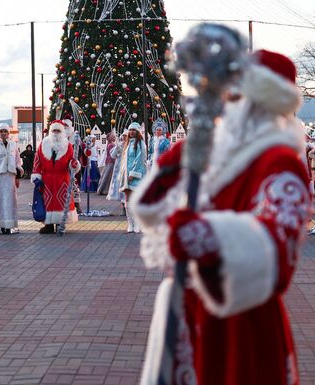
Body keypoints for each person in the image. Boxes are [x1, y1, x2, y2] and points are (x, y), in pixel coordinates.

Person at [132, 50, 310, 385]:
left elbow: (277, 248)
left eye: (236, 96)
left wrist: (205, 235)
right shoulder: (216, 156)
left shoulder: (280, 162)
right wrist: (168, 170)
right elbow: (151, 210)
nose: (226, 105)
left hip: (240, 321)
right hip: (191, 312)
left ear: (261, 104)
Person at [32, 120, 81, 234]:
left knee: (61, 201)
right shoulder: (43, 144)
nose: (56, 133)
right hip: (47, 179)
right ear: (50, 131)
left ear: (62, 132)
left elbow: (71, 162)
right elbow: (37, 161)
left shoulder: (68, 146)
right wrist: (36, 175)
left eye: (58, 130)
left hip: (62, 179)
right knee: (47, 201)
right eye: (54, 130)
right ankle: (48, 225)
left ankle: (60, 222)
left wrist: (74, 165)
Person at [118, 122, 146, 233]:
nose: (131, 132)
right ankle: (130, 223)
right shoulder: (128, 144)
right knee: (128, 198)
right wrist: (123, 174)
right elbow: (124, 161)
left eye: (134, 130)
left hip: (135, 175)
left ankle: (137, 223)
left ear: (138, 132)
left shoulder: (140, 144)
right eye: (130, 130)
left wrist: (133, 173)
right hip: (126, 176)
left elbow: (139, 159)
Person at [106, 131, 127, 215]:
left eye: (126, 137)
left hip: (127, 168)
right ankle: (123, 208)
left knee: (126, 188)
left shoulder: (131, 145)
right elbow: (113, 155)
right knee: (120, 188)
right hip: (119, 169)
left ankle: (127, 207)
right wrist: (117, 147)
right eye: (123, 137)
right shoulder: (119, 145)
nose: (124, 139)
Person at [97, 131, 117, 195]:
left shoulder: (109, 144)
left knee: (106, 176)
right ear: (110, 138)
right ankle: (105, 190)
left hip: (108, 161)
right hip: (111, 162)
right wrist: (115, 161)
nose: (115, 138)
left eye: (114, 137)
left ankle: (102, 189)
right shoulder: (111, 145)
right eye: (113, 137)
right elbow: (112, 155)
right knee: (108, 176)